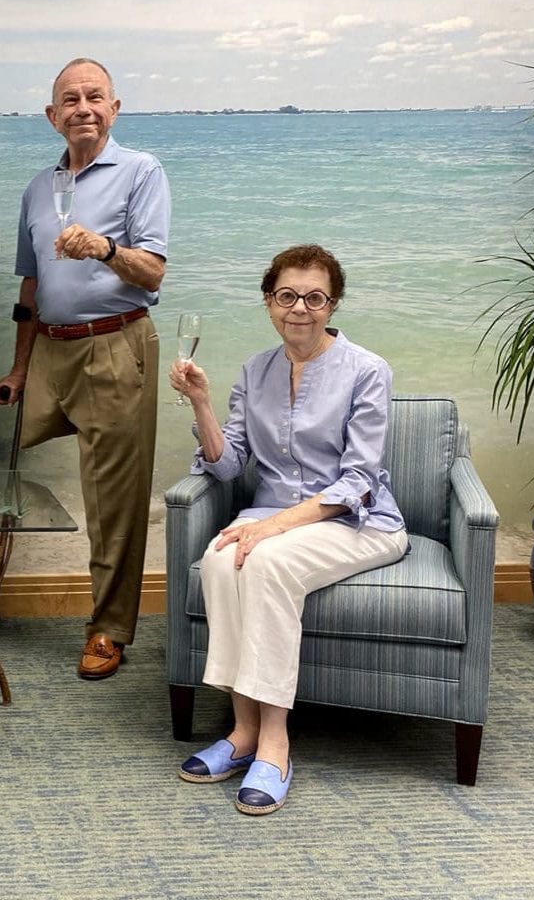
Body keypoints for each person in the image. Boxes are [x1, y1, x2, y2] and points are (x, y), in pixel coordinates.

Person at [168, 244, 409, 815]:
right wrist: (201, 402)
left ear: (333, 304)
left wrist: (272, 527)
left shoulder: (368, 370)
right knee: (221, 558)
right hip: (272, 520)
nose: (300, 307)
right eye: (287, 296)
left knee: (265, 560)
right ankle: (242, 730)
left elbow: (358, 482)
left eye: (315, 297)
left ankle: (276, 742)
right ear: (269, 301)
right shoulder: (255, 371)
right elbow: (227, 465)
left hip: (360, 523)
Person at [0, 57, 170, 680]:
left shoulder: (142, 171)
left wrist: (105, 247)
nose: (83, 108)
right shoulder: (38, 187)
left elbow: (154, 271)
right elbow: (31, 281)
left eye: (95, 97)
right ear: (53, 116)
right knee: (2, 469)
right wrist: (19, 367)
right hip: (49, 349)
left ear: (115, 108)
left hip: (115, 346)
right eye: (70, 100)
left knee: (113, 499)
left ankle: (109, 628)